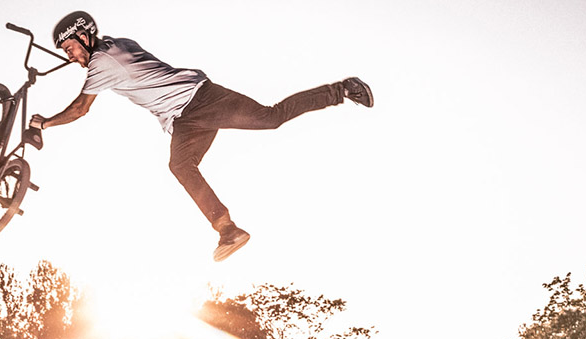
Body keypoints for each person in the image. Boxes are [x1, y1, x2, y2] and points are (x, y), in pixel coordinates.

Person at [31, 11, 374, 262]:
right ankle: (228, 230)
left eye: (70, 48)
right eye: (66, 52)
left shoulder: (103, 61)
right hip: (184, 120)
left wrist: (44, 123)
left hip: (202, 100)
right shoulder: (115, 45)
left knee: (270, 118)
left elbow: (80, 109)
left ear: (85, 36)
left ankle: (343, 89)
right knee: (180, 166)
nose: (70, 56)